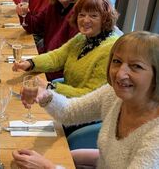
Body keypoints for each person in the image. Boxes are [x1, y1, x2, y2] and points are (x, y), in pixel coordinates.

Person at [13, 31, 159, 169]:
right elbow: (69, 112)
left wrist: (48, 167)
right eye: (117, 61)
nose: (120, 74)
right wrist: (45, 96)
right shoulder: (113, 95)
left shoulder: (155, 137)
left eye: (136, 66)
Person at [13, 0, 120, 98]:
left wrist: (50, 87)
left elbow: (90, 96)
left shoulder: (109, 50)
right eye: (82, 15)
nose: (85, 20)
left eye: (93, 16)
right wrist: (30, 63)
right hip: (65, 99)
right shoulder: (82, 38)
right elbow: (56, 57)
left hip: (80, 109)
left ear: (105, 19)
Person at [16, 0, 87, 80]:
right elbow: (34, 26)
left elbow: (66, 55)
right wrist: (25, 14)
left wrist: (37, 63)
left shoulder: (79, 14)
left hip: (58, 71)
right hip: (46, 60)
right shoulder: (53, 7)